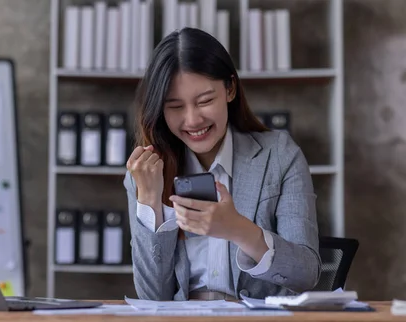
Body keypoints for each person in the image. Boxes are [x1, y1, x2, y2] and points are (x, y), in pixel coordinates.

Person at [123, 27, 321, 301]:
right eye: (175, 107)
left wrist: (238, 230)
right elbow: (151, 297)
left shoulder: (279, 155)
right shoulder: (146, 172)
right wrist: (149, 200)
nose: (192, 120)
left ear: (230, 89)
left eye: (205, 101)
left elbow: (306, 274)